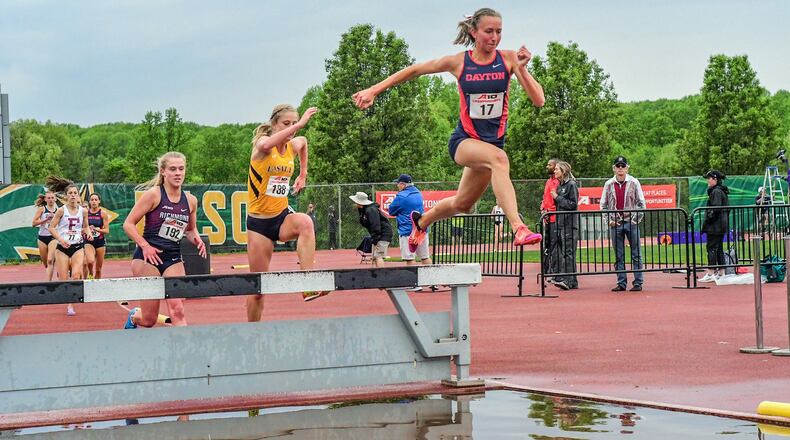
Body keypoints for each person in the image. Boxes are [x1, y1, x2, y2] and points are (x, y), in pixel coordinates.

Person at [352, 7, 544, 252]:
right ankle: (518, 227)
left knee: (463, 204)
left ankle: (422, 222)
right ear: (474, 32)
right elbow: (415, 70)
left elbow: (539, 100)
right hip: (464, 141)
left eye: (499, 31)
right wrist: (374, 90)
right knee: (500, 159)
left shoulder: (508, 59)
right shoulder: (459, 62)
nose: (494, 37)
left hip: (491, 146)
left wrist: (523, 68)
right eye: (489, 31)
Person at [246, 104, 325, 322]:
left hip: (281, 218)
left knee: (306, 222)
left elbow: (304, 142)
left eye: (294, 123)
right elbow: (267, 143)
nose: (292, 128)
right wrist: (299, 125)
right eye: (286, 124)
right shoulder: (263, 146)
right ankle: (253, 330)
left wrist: (303, 174)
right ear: (274, 125)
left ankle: (307, 284)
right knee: (258, 289)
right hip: (259, 225)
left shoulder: (292, 146)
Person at [122, 151, 206, 329]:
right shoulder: (154, 195)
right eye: (173, 169)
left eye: (181, 169)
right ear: (163, 171)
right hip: (148, 258)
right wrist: (145, 246)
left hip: (173, 258)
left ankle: (184, 346)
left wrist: (197, 239)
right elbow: (128, 224)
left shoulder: (190, 201)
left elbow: (190, 230)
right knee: (149, 320)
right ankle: (135, 316)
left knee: (178, 311)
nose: (178, 173)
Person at [600, 156, 646, 292]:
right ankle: (621, 282)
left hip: (631, 222)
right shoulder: (608, 184)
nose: (620, 168)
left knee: (636, 253)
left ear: (627, 168)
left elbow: (641, 203)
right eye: (618, 166)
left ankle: (638, 282)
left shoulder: (634, 182)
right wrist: (609, 221)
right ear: (614, 168)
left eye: (623, 166)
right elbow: (603, 205)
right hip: (616, 224)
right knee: (618, 255)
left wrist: (635, 220)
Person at [47, 182, 92, 316]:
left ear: (78, 196)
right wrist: (61, 240)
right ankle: (61, 273)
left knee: (76, 275)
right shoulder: (61, 211)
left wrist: (88, 233)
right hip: (62, 248)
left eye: (75, 193)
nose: (73, 195)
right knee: (64, 280)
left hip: (77, 246)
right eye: (70, 193)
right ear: (66, 196)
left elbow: (86, 226)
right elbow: (51, 228)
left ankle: (70, 305)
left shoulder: (83, 211)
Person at [388, 174, 433, 271]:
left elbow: (391, 211)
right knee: (425, 257)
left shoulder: (401, 196)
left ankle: (413, 280)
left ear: (403, 184)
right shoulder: (418, 193)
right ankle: (432, 278)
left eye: (398, 184)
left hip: (407, 231)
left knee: (409, 259)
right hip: (421, 229)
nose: (397, 186)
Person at [549, 161, 579, 291]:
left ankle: (568, 280)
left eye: (557, 169)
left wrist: (557, 197)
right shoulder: (559, 186)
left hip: (570, 224)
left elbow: (573, 204)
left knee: (569, 252)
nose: (554, 171)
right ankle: (571, 280)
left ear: (563, 171)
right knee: (564, 252)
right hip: (561, 223)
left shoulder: (571, 185)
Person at [699, 170, 729, 282]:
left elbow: (716, 208)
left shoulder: (716, 191)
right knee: (718, 248)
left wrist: (708, 219)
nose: (708, 180)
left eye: (709, 178)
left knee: (711, 247)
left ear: (715, 179)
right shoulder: (721, 191)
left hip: (715, 225)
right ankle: (721, 272)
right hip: (720, 224)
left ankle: (711, 272)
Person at [350, 191, 393, 267]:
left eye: (356, 201)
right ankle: (374, 274)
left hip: (383, 234)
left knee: (378, 256)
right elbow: (364, 223)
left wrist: (375, 239)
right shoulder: (364, 210)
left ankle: (382, 273)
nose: (355, 203)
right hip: (377, 235)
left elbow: (375, 225)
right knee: (374, 257)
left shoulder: (371, 210)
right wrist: (360, 211)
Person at [31, 190, 59, 281]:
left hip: (53, 237)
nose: (50, 199)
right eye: (48, 198)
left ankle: (48, 283)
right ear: (45, 199)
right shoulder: (42, 209)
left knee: (50, 260)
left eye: (52, 198)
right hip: (42, 238)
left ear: (55, 199)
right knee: (46, 263)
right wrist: (46, 220)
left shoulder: (59, 211)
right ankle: (53, 270)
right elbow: (34, 223)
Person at [540, 159, 559, 277]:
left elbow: (557, 200)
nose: (547, 166)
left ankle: (554, 270)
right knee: (546, 245)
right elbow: (545, 198)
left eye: (550, 165)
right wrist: (543, 208)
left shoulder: (558, 182)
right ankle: (546, 270)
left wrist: (550, 212)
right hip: (546, 218)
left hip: (555, 219)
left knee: (554, 245)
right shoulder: (548, 181)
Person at [84, 193, 110, 279]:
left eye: (96, 200)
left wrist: (96, 229)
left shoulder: (103, 214)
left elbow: (107, 230)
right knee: (90, 261)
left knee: (98, 269)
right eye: (92, 200)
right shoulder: (85, 213)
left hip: (100, 242)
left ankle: (96, 284)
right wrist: (87, 230)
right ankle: (91, 272)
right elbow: (82, 228)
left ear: (99, 201)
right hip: (89, 241)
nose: (94, 202)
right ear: (89, 202)